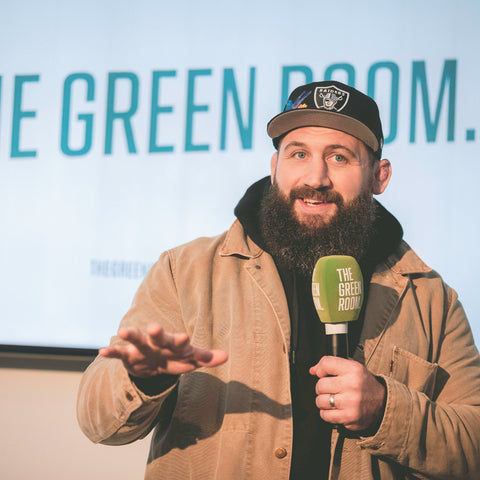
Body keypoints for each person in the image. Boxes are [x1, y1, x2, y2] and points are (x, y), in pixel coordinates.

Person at [77, 81, 480, 480]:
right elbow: (98, 424)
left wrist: (386, 409)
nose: (316, 177)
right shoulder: (185, 271)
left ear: (379, 175)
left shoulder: (431, 298)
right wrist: (144, 377)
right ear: (275, 168)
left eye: (339, 158)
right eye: (299, 153)